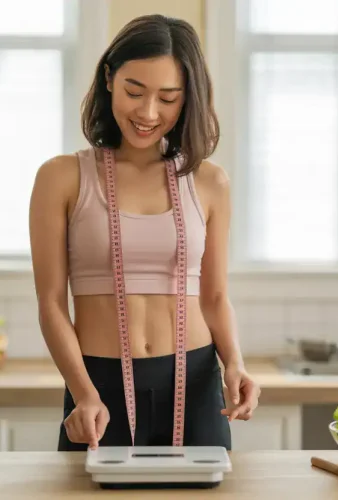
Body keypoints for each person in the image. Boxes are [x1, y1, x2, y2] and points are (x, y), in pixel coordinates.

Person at [29, 14, 260, 451]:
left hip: (195, 383)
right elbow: (51, 303)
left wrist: (234, 363)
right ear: (109, 78)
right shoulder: (61, 177)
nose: (148, 113)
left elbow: (212, 296)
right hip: (98, 388)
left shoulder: (210, 182)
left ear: (187, 100)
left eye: (168, 98)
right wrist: (83, 393)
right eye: (135, 91)